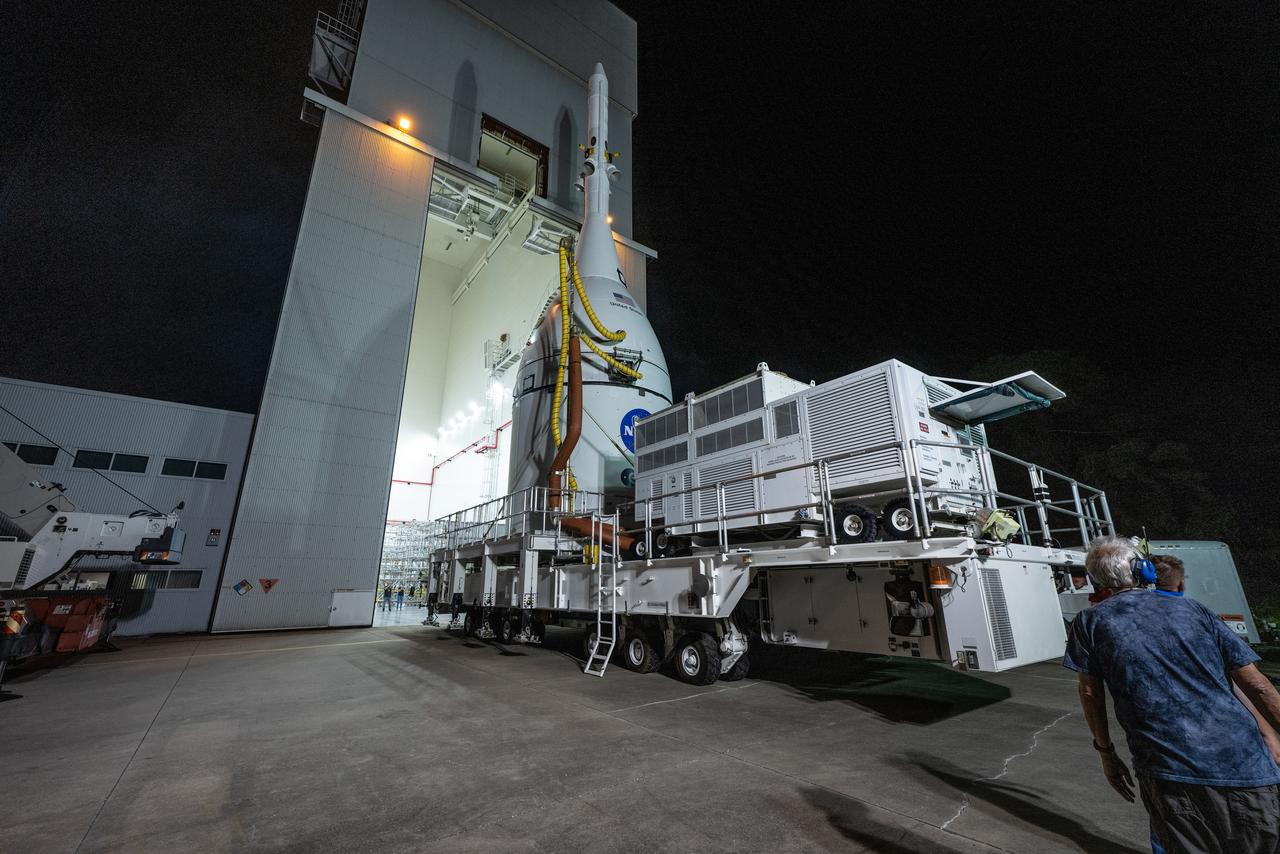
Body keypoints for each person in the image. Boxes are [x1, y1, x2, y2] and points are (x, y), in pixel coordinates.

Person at [1064, 536, 1280, 852]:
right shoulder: (1194, 610)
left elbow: (1089, 690)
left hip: (1169, 773)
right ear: (1143, 570)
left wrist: (1106, 752)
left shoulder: (1089, 621)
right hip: (1245, 768)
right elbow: (1257, 685)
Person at [1154, 554, 1280, 768]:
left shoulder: (1126, 621)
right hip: (1224, 739)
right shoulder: (1200, 617)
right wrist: (1269, 735)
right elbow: (1250, 684)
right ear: (1181, 583)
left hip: (1167, 746)